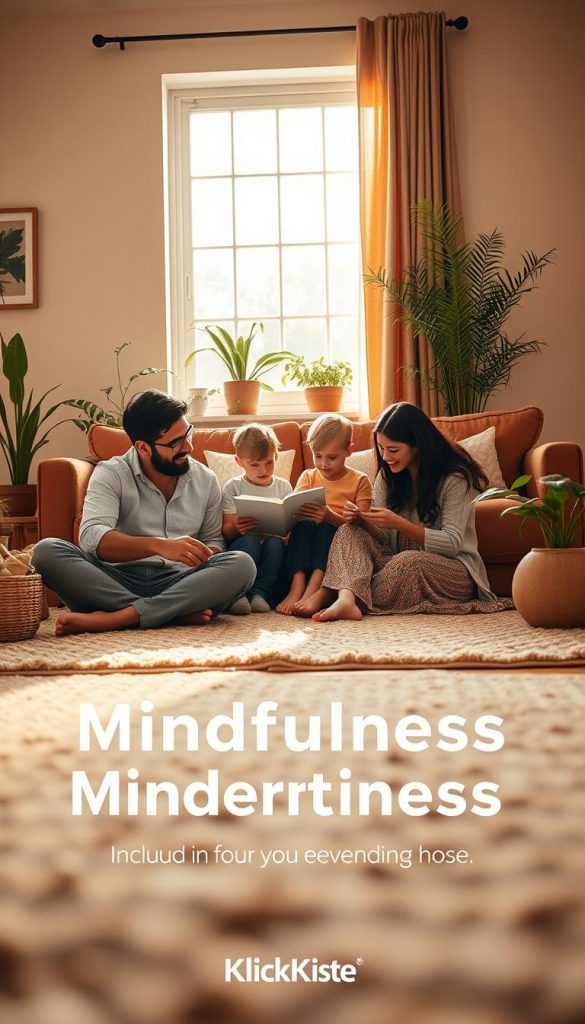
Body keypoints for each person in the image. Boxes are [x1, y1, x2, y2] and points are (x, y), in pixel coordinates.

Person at [33, 390, 256, 636]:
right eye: (175, 443)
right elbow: (91, 538)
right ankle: (172, 615)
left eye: (188, 434)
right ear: (143, 448)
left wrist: (206, 553)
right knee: (45, 551)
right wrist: (159, 546)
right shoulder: (111, 473)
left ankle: (119, 617)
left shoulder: (206, 479)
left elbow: (214, 540)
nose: (189, 447)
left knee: (242, 564)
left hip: (181, 582)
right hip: (115, 578)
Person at [303, 401, 514, 621]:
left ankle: (345, 591)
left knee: (410, 562)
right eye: (382, 448)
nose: (385, 457)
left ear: (418, 445)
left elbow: (452, 545)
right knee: (348, 531)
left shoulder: (455, 479)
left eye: (393, 450)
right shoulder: (388, 476)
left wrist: (398, 522)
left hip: (453, 571)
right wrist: (362, 521)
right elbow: (383, 539)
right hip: (395, 561)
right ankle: (347, 600)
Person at [276, 413, 372, 616]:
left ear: (349, 451)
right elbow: (293, 510)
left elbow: (365, 528)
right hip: (307, 539)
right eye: (317, 456)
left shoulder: (360, 480)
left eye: (331, 457)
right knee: (305, 525)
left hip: (337, 540)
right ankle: (297, 586)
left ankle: (315, 589)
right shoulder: (308, 476)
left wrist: (331, 517)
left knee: (327, 528)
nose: (323, 464)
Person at [222, 423, 292, 614]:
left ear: (276, 456)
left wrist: (285, 530)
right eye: (255, 464)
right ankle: (239, 593)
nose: (263, 470)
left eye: (269, 462)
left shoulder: (283, 487)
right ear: (239, 461)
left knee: (275, 544)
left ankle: (260, 594)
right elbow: (225, 531)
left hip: (272, 546)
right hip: (244, 543)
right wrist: (236, 526)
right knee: (251, 542)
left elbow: (290, 529)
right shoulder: (233, 487)